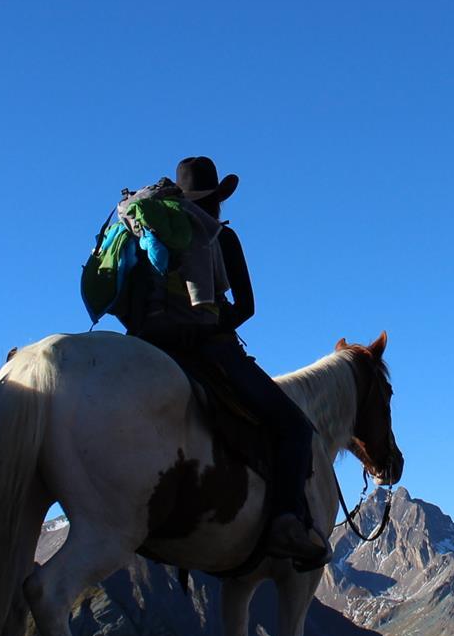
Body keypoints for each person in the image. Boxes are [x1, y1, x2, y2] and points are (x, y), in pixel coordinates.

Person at [125, 156, 330, 569]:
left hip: (146, 344)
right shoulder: (221, 236)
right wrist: (211, 325)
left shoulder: (148, 229)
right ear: (217, 199)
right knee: (294, 428)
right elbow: (247, 306)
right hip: (208, 348)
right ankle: (286, 522)